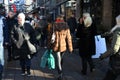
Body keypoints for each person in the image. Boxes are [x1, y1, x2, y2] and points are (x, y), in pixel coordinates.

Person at [52, 15, 73, 80]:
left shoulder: (54, 25)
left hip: (56, 45)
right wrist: (70, 48)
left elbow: (51, 35)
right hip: (63, 46)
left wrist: (49, 45)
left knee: (58, 59)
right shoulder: (66, 26)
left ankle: (60, 72)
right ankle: (60, 71)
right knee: (61, 59)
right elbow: (69, 38)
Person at [99, 15, 120, 80]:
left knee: (110, 77)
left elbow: (114, 49)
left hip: (117, 61)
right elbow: (111, 33)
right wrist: (104, 35)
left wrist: (103, 56)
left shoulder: (118, 32)